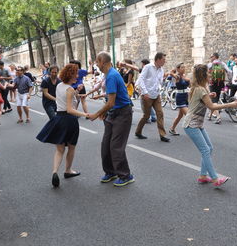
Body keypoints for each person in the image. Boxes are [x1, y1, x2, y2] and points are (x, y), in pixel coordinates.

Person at [183, 64, 237, 187]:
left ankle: (203, 176)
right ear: (203, 75)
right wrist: (231, 105)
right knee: (205, 150)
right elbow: (212, 107)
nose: (210, 75)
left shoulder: (197, 88)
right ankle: (215, 178)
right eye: (208, 73)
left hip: (196, 123)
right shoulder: (200, 89)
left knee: (209, 148)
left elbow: (196, 101)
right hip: (191, 124)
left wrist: (209, 96)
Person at [86, 52, 134, 187]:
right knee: (106, 144)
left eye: (97, 62)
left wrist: (97, 114)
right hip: (113, 113)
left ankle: (126, 175)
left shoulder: (112, 75)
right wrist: (105, 111)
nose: (96, 64)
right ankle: (110, 172)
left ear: (103, 62)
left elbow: (111, 102)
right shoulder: (108, 74)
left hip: (122, 113)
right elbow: (111, 97)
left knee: (116, 146)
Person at [37, 64, 87, 187]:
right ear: (70, 75)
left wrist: (77, 92)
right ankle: (68, 170)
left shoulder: (60, 85)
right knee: (71, 147)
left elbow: (65, 99)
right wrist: (86, 114)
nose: (77, 76)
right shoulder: (69, 89)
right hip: (69, 120)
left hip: (58, 118)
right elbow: (70, 109)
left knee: (59, 149)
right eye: (76, 74)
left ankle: (55, 171)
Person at [135, 52, 170, 142]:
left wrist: (160, 88)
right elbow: (141, 79)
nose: (164, 62)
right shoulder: (148, 67)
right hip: (147, 95)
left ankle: (162, 135)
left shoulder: (161, 70)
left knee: (160, 114)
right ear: (158, 59)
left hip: (156, 95)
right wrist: (145, 92)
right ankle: (138, 132)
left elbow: (159, 82)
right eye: (163, 60)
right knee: (146, 116)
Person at [168, 63, 190, 135]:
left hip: (185, 97)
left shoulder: (185, 76)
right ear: (178, 69)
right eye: (182, 67)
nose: (184, 69)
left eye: (184, 67)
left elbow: (190, 83)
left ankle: (172, 129)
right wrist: (175, 69)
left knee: (180, 116)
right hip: (180, 97)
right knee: (188, 115)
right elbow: (171, 73)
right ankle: (192, 130)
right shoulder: (177, 76)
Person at [208, 56, 230, 124]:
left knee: (214, 101)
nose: (210, 58)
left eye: (211, 57)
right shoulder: (222, 64)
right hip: (221, 83)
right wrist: (230, 80)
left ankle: (218, 117)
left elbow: (206, 73)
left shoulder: (210, 64)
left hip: (213, 84)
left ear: (214, 57)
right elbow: (229, 71)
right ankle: (210, 115)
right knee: (216, 99)